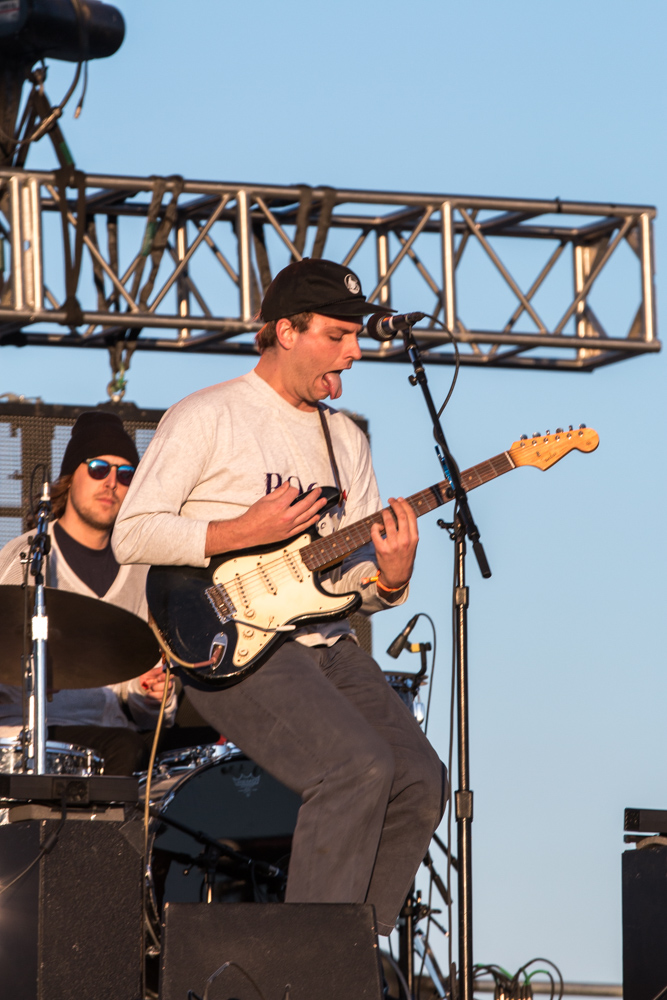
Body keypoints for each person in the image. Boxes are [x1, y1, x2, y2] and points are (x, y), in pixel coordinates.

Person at [113, 258, 447, 935]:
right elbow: (132, 534)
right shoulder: (208, 415)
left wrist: (388, 576)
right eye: (336, 335)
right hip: (226, 640)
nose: (352, 353)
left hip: (325, 644)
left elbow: (351, 589)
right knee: (354, 767)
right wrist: (241, 529)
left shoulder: (344, 438)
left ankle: (351, 950)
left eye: (356, 336)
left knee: (418, 779)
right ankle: (307, 965)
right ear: (284, 332)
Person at [0, 411, 179, 774]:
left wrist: (150, 693)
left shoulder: (143, 570)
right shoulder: (24, 555)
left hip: (111, 734)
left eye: (125, 474)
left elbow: (141, 705)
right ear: (70, 477)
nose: (111, 482)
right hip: (24, 734)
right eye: (98, 468)